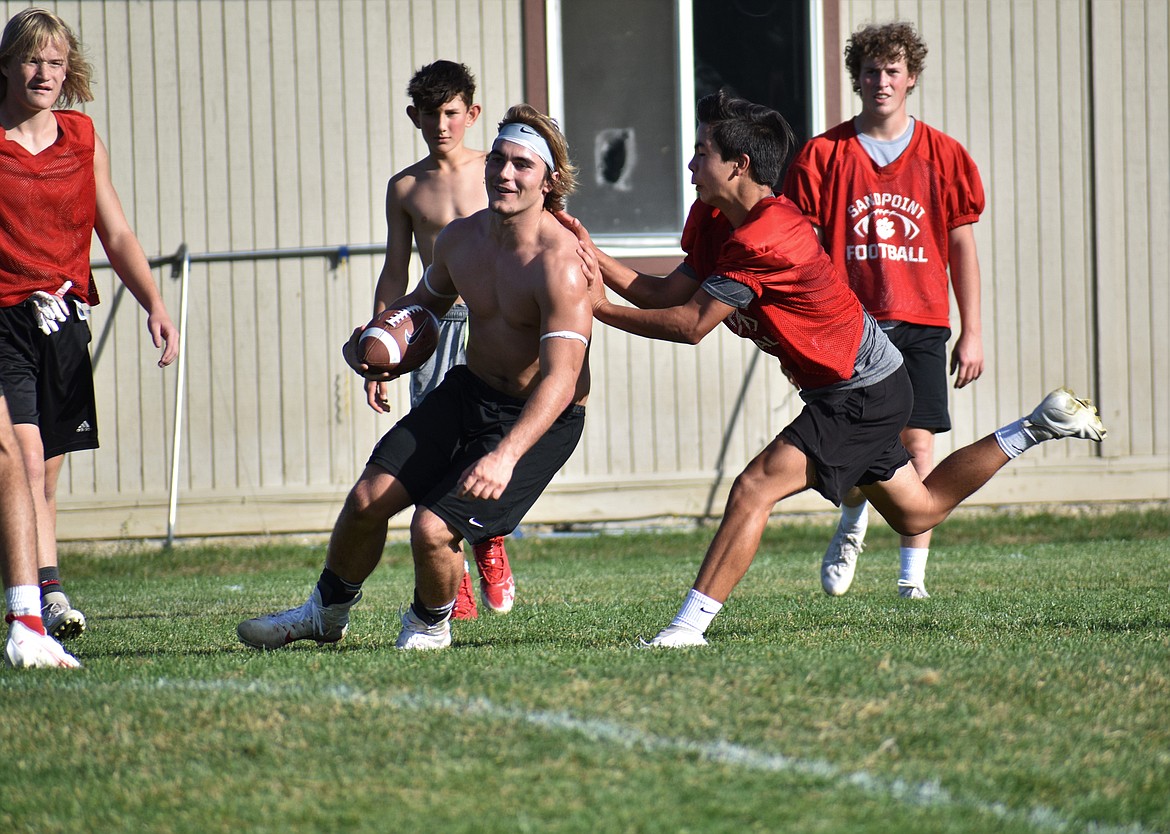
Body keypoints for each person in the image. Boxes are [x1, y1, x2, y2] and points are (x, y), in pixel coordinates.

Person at [560, 91, 1104, 648]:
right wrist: (589, 249)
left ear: (739, 165)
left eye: (702, 152)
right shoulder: (715, 217)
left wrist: (597, 307)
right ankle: (1039, 425)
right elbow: (663, 292)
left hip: (858, 390)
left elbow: (689, 324)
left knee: (753, 488)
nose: (692, 164)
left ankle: (687, 630)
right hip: (860, 384)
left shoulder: (767, 237)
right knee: (919, 513)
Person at [238, 104, 591, 651]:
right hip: (469, 391)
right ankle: (324, 615)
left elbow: (561, 381)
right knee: (366, 500)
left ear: (550, 180)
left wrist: (505, 456)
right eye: (497, 159)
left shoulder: (560, 264)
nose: (503, 173)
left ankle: (429, 624)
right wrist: (377, 342)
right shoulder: (459, 240)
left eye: (522, 164)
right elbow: (423, 306)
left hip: (539, 415)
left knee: (431, 529)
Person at [783, 21, 985, 599]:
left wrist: (973, 332)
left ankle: (910, 580)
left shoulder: (945, 156)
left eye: (892, 70)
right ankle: (851, 520)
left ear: (911, 78)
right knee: (858, 447)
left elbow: (962, 244)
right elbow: (805, 251)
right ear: (857, 78)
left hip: (921, 318)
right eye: (871, 70)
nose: (881, 81)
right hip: (852, 325)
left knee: (919, 444)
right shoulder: (824, 154)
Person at [0, 8, 179, 641]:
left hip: (63, 318)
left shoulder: (82, 137)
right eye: (30, 59)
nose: (42, 72)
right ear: (6, 64)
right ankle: (33, 604)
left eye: (54, 61)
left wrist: (154, 303)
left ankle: (44, 591)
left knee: (43, 470)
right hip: (4, 318)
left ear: (68, 68)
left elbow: (117, 230)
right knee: (17, 458)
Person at [369, 60, 514, 619]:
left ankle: (489, 540)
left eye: (452, 112)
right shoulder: (405, 187)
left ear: (472, 114)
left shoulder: (498, 172)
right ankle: (451, 577)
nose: (442, 124)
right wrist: (383, 346)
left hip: (493, 322)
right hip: (433, 329)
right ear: (415, 117)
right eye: (431, 114)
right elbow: (395, 271)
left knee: (489, 438)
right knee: (435, 443)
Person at [1, 385, 79, 668]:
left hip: (55, 344)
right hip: (11, 347)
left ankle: (34, 615)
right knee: (21, 455)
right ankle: (29, 621)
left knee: (41, 471)